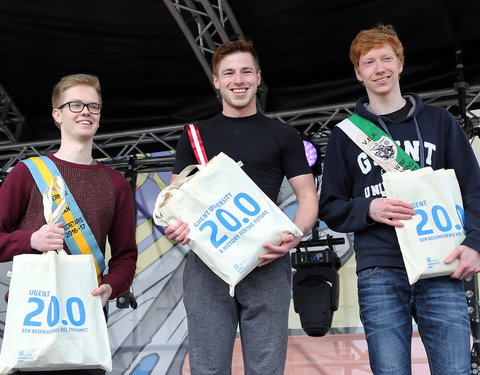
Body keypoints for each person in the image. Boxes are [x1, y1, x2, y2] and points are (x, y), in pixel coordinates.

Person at [319, 24, 480, 374]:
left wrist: (475, 243)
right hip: (379, 269)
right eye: (369, 62)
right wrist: (368, 208)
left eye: (386, 59)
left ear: (401, 64)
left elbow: (474, 189)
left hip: (442, 262)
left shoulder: (440, 122)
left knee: (455, 369)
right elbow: (329, 206)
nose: (379, 69)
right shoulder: (346, 135)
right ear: (358, 72)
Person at [165, 40, 318, 374]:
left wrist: (296, 233)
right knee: (208, 367)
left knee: (266, 368)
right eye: (229, 73)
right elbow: (173, 201)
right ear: (216, 81)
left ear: (258, 77)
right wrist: (175, 228)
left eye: (246, 71)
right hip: (208, 263)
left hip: (269, 258)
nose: (239, 79)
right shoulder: (194, 136)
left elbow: (308, 198)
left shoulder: (284, 134)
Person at [0, 73, 138, 375]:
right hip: (31, 323)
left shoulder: (115, 183)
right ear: (57, 114)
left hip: (86, 324)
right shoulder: (26, 173)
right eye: (75, 105)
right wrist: (30, 241)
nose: (86, 111)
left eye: (93, 106)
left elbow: (126, 255)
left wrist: (111, 288)